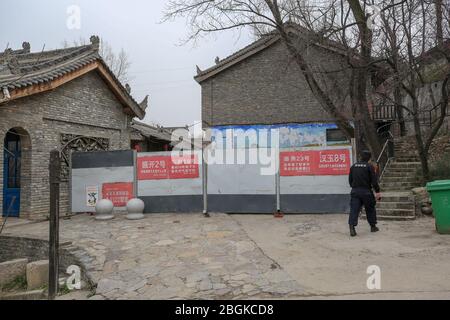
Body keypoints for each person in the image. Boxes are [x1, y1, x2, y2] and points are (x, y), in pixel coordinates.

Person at [348, 150, 381, 237]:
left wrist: (355, 187)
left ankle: (352, 227)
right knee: (370, 209)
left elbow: (350, 181)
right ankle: (373, 226)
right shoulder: (369, 167)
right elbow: (374, 181)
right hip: (366, 192)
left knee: (354, 210)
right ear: (369, 158)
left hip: (355, 191)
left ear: (360, 157)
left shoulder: (353, 166)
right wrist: (377, 191)